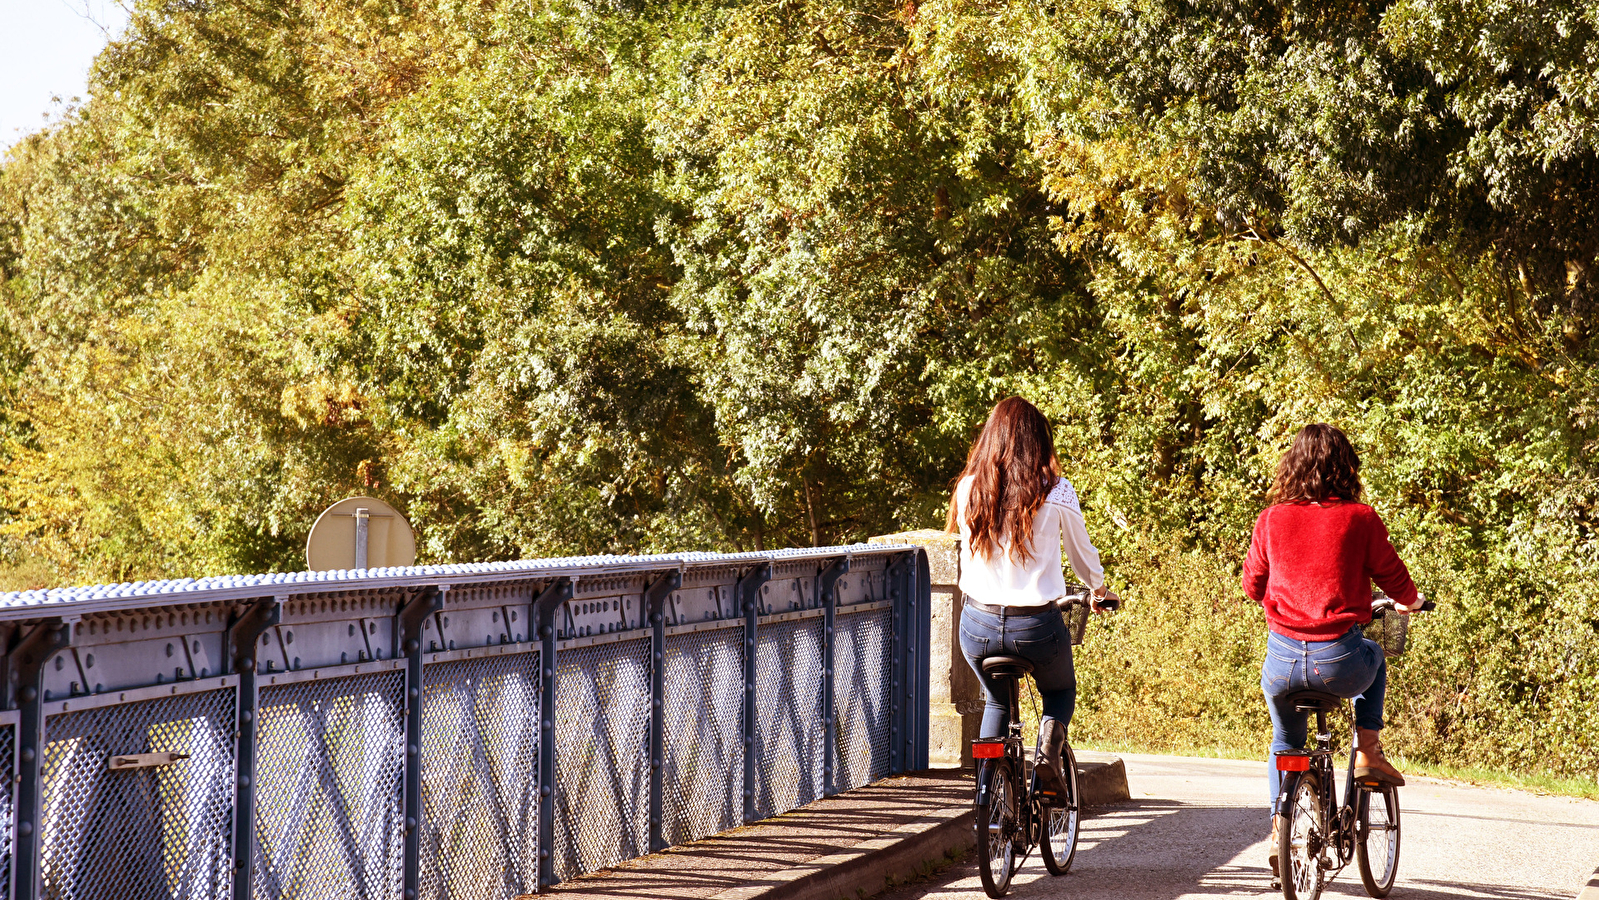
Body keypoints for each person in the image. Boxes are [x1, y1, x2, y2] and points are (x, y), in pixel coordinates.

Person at [1241, 423, 1423, 877]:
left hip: (1281, 663)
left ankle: (1278, 829)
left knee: (1285, 742)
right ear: (1346, 468)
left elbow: (1252, 586)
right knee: (1376, 658)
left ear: (1293, 467)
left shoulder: (1272, 519)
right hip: (1338, 662)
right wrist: (1413, 601)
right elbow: (1394, 578)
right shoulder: (1360, 518)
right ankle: (1367, 750)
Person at [948, 396, 1118, 798]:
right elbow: (1083, 558)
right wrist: (1099, 591)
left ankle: (988, 795)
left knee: (995, 702)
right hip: (1036, 627)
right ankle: (1046, 754)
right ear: (1038, 442)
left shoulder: (969, 488)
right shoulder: (1056, 491)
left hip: (977, 624)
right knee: (1060, 692)